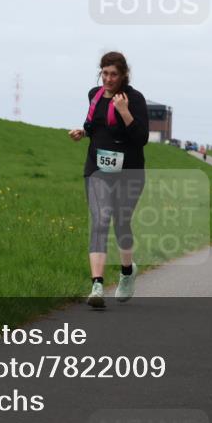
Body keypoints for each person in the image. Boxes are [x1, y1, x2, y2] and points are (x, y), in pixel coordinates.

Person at [68, 52, 149, 308]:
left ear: (123, 75)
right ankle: (97, 285)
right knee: (100, 220)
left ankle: (127, 273)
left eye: (114, 74)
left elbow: (141, 138)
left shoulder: (134, 99)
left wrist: (124, 111)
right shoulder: (95, 94)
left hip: (129, 170)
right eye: (105, 73)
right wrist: (83, 131)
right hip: (97, 168)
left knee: (121, 223)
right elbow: (94, 125)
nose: (108, 79)